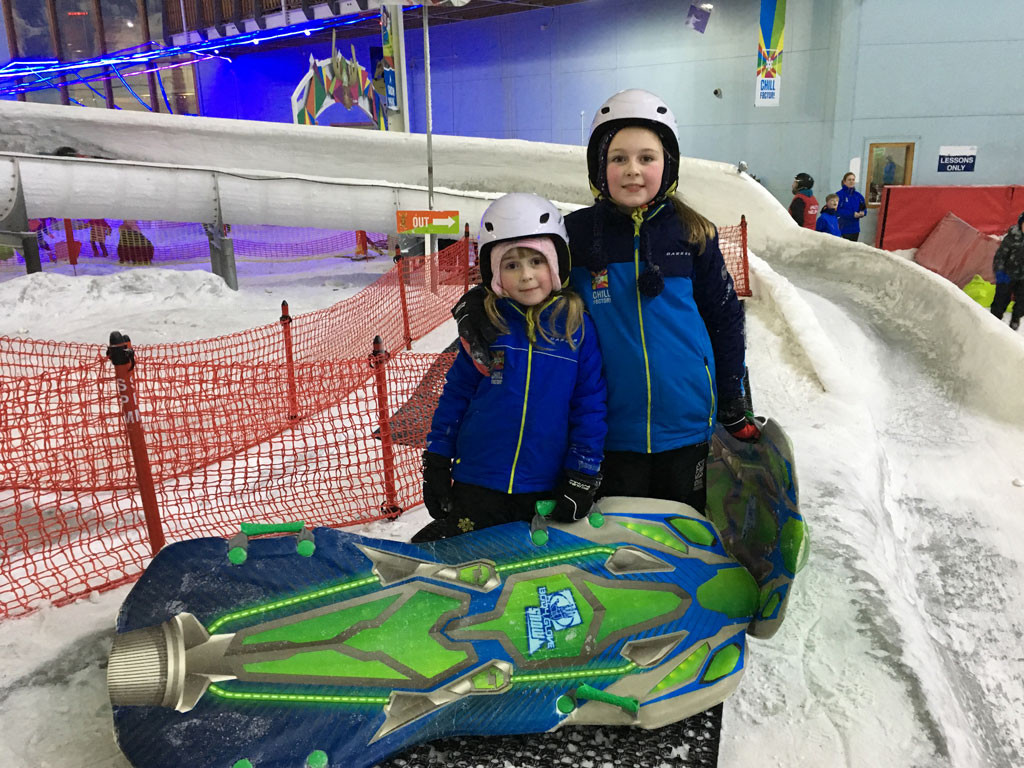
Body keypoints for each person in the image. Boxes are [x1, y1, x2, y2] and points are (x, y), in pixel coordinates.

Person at [451, 90, 757, 515]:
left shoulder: (693, 233)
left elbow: (724, 317)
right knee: (619, 536)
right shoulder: (575, 235)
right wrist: (478, 302)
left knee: (684, 528)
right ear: (599, 165)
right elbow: (527, 282)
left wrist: (732, 394)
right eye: (618, 158)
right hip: (609, 430)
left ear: (668, 163)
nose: (633, 170)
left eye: (647, 158)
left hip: (686, 423)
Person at [414, 193, 607, 543]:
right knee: (470, 560)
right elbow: (457, 394)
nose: (526, 276)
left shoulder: (576, 328)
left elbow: (589, 405)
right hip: (478, 481)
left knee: (531, 567)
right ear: (495, 272)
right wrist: (438, 458)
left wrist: (582, 472)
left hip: (543, 486)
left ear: (556, 265)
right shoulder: (486, 326)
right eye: (512, 265)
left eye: (536, 261)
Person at [991, 211, 1024, 331]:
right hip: (1007, 274)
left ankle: (1015, 320)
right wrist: (1000, 273)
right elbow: (1000, 256)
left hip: (1023, 278)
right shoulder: (1012, 238)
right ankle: (993, 322)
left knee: (1022, 303)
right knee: (1001, 300)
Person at [835, 172, 867, 241]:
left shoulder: (858, 196)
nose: (851, 181)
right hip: (843, 229)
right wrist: (852, 214)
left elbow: (864, 208)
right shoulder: (839, 195)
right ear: (844, 182)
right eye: (849, 180)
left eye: (853, 179)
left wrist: (863, 213)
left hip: (855, 229)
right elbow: (836, 210)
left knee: (853, 247)